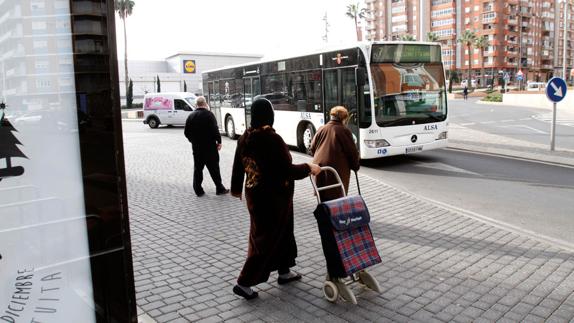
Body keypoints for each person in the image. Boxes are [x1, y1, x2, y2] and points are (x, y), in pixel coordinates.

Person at [230, 98, 321, 300]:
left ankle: (284, 271)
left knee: (283, 233)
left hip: (256, 195)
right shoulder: (272, 139)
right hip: (273, 199)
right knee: (264, 240)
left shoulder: (246, 137)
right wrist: (309, 168)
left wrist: (236, 189)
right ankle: (243, 282)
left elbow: (238, 165)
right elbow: (285, 171)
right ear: (269, 115)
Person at [310, 106, 360, 202]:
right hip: (335, 171)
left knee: (323, 198)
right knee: (336, 200)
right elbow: (352, 152)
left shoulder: (322, 128)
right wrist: (355, 166)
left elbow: (312, 148)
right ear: (344, 119)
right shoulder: (344, 131)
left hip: (319, 169)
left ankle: (324, 215)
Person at [184, 96, 229, 196]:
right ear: (205, 103)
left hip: (197, 148)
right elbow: (215, 130)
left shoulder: (191, 116)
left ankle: (198, 190)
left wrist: (193, 141)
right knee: (214, 169)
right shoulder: (209, 115)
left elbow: (186, 132)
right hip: (210, 148)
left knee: (198, 169)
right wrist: (219, 141)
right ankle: (219, 188)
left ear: (196, 105)